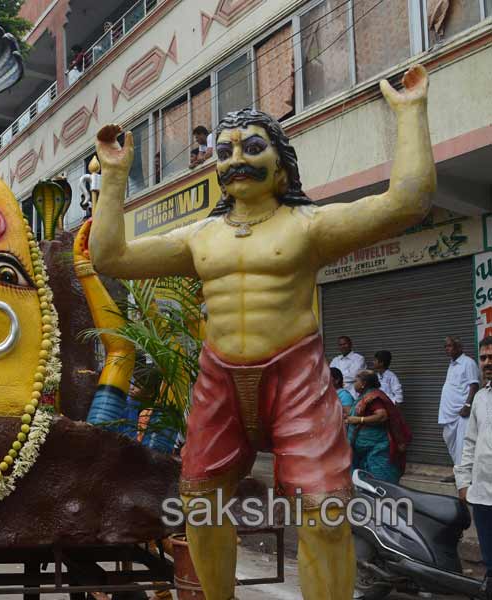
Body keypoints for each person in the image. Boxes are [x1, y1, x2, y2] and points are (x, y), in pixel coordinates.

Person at [89, 63, 434, 599]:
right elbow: (110, 254)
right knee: (200, 503)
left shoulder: (308, 226)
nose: (236, 160)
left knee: (324, 513)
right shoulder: (200, 238)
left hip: (295, 375)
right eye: (224, 153)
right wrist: (113, 178)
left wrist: (411, 115)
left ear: (281, 168)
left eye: (252, 148)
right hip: (218, 379)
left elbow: (406, 202)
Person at [454, 336, 492, 586]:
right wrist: (463, 480)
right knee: (489, 555)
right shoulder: (480, 397)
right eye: (483, 357)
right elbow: (470, 442)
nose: (487, 362)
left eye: (491, 357)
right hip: (483, 493)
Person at [345, 370, 411, 484]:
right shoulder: (363, 396)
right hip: (364, 450)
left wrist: (358, 420)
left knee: (380, 482)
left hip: (377, 448)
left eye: (356, 380)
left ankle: (386, 501)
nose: (354, 383)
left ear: (363, 383)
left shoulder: (373, 397)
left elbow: (382, 416)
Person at [440, 336, 479, 468]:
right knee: (449, 439)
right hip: (450, 413)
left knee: (462, 444)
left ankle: (462, 473)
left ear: (459, 347)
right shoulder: (452, 364)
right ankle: (459, 470)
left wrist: (467, 405)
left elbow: (474, 385)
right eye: (445, 346)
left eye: (449, 346)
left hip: (462, 412)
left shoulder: (468, 363)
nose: (447, 349)